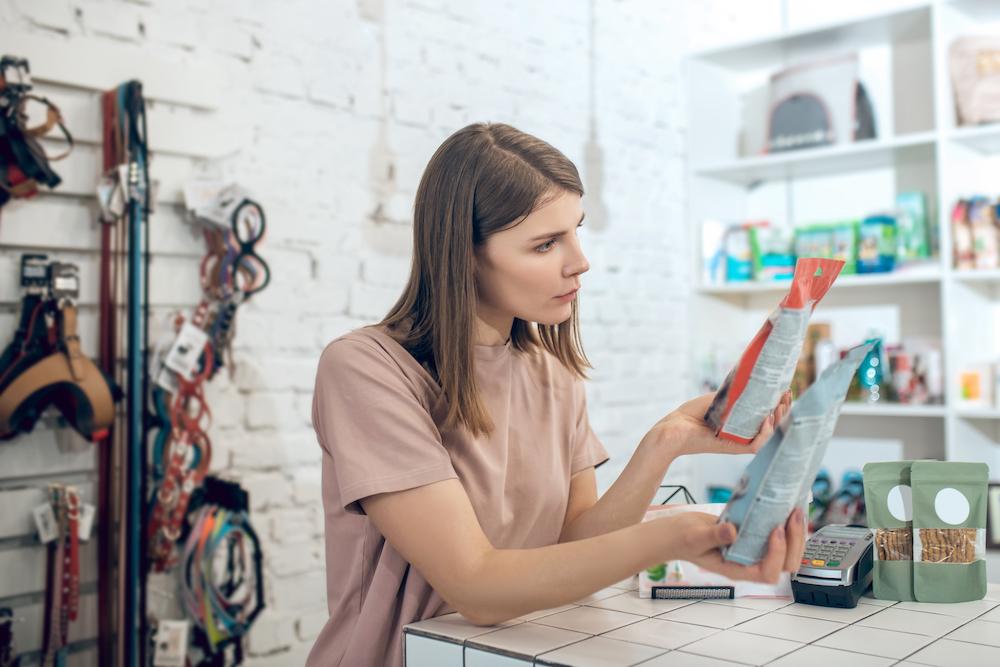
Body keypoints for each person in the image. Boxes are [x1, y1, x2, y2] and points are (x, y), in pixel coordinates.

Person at [306, 123, 801, 666]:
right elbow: (474, 585)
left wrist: (665, 442)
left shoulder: (552, 374)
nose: (579, 261)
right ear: (464, 253)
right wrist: (674, 537)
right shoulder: (367, 371)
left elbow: (572, 546)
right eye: (545, 243)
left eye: (576, 231)